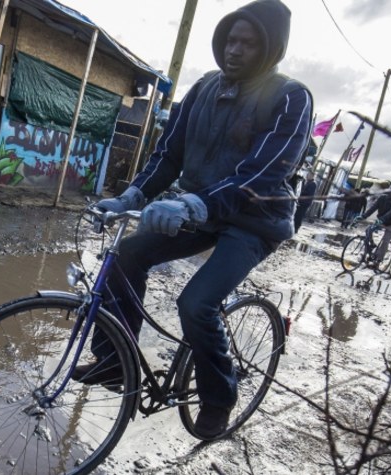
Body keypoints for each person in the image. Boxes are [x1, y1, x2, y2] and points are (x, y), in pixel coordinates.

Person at [73, 0, 312, 440]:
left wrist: (191, 205)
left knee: (196, 303)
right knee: (126, 255)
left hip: (255, 221)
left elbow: (265, 172)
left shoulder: (290, 97)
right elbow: (169, 154)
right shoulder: (203, 88)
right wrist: (131, 195)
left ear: (270, 48)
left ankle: (220, 397)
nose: (234, 50)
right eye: (230, 40)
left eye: (248, 42)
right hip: (199, 208)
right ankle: (113, 361)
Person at [357, 184, 391, 265]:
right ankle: (371, 246)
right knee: (368, 230)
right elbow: (373, 208)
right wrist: (363, 216)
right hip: (382, 220)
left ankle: (379, 259)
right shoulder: (383, 198)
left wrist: (382, 219)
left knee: (385, 241)